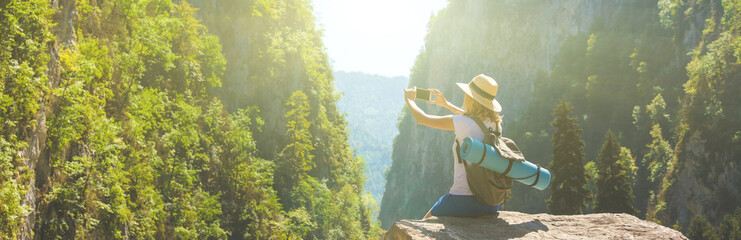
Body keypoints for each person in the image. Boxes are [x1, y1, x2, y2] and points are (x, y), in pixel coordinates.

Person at [403, 74, 503, 218]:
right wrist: (445, 104)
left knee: (426, 221)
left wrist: (409, 100)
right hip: (491, 202)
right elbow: (472, 121)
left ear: (470, 99)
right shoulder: (496, 125)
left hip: (463, 200)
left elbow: (422, 119)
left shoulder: (464, 124)